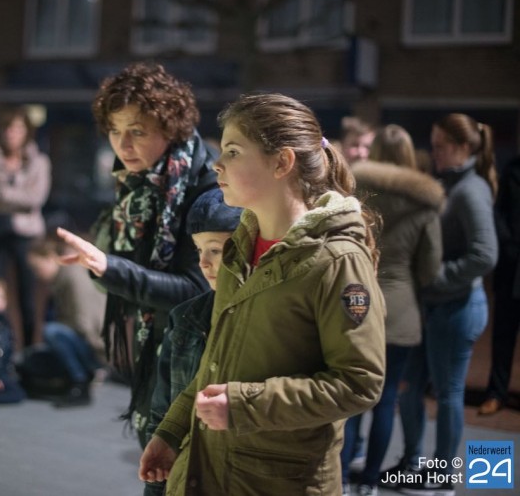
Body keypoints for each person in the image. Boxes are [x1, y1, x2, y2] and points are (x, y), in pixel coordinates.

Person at [138, 93, 386, 495]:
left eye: (234, 151)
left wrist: (243, 405)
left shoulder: (336, 260)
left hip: (279, 481)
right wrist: (171, 431)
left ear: (281, 162)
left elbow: (359, 383)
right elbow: (215, 363)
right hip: (213, 471)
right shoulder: (239, 247)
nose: (218, 164)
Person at [56, 61, 218, 447]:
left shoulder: (207, 189)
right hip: (157, 346)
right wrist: (104, 265)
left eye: (137, 131)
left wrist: (111, 268)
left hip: (196, 358)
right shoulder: (138, 183)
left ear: (169, 127)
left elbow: (198, 291)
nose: (122, 145)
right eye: (114, 131)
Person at [385, 114, 498, 495]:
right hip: (435, 308)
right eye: (432, 145)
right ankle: (412, 464)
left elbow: (485, 254)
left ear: (464, 148)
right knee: (410, 386)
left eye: (441, 146)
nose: (433, 153)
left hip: (457, 308)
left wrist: (437, 277)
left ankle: (444, 476)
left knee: (448, 394)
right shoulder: (452, 184)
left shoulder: (469, 190)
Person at [340, 124, 444, 496]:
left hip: (354, 303)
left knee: (351, 397)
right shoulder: (425, 203)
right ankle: (370, 481)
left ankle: (341, 477)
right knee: (385, 401)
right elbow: (430, 269)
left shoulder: (354, 192)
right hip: (401, 311)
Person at [144, 188, 242, 496]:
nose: (203, 262)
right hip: (187, 469)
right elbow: (163, 408)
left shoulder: (265, 316)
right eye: (199, 249)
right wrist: (155, 485)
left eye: (215, 249)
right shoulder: (185, 317)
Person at [0, 108, 51, 350]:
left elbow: (36, 198)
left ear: (27, 132)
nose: (12, 134)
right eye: (9, 128)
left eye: (18, 129)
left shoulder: (39, 161)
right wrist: (17, 197)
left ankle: (28, 349)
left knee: (27, 296)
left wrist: (4, 194)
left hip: (26, 234)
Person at [27, 236, 107, 407]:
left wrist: (100, 356)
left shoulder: (72, 278)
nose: (37, 274)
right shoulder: (61, 279)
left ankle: (80, 381)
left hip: (95, 346)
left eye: (37, 268)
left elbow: (85, 322)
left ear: (50, 257)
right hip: (86, 340)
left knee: (52, 332)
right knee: (34, 357)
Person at [480, 153, 520, 415]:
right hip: (512, 268)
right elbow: (499, 213)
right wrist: (508, 246)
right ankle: (496, 392)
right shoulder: (513, 169)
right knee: (503, 335)